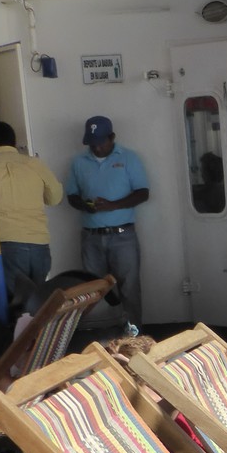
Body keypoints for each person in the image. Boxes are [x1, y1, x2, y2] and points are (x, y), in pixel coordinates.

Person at [0, 120, 63, 304]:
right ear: (13, 141)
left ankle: (20, 333)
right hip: (40, 244)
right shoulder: (35, 164)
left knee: (14, 304)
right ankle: (40, 333)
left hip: (4, 246)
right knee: (38, 302)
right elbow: (55, 198)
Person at [65, 115, 148, 328]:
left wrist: (113, 205)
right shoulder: (78, 162)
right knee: (93, 291)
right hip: (91, 237)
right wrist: (85, 205)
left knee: (129, 288)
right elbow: (72, 195)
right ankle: (101, 338)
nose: (97, 147)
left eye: (101, 142)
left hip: (123, 236)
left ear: (112, 137)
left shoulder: (129, 158)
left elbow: (142, 193)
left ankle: (135, 339)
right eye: (92, 143)